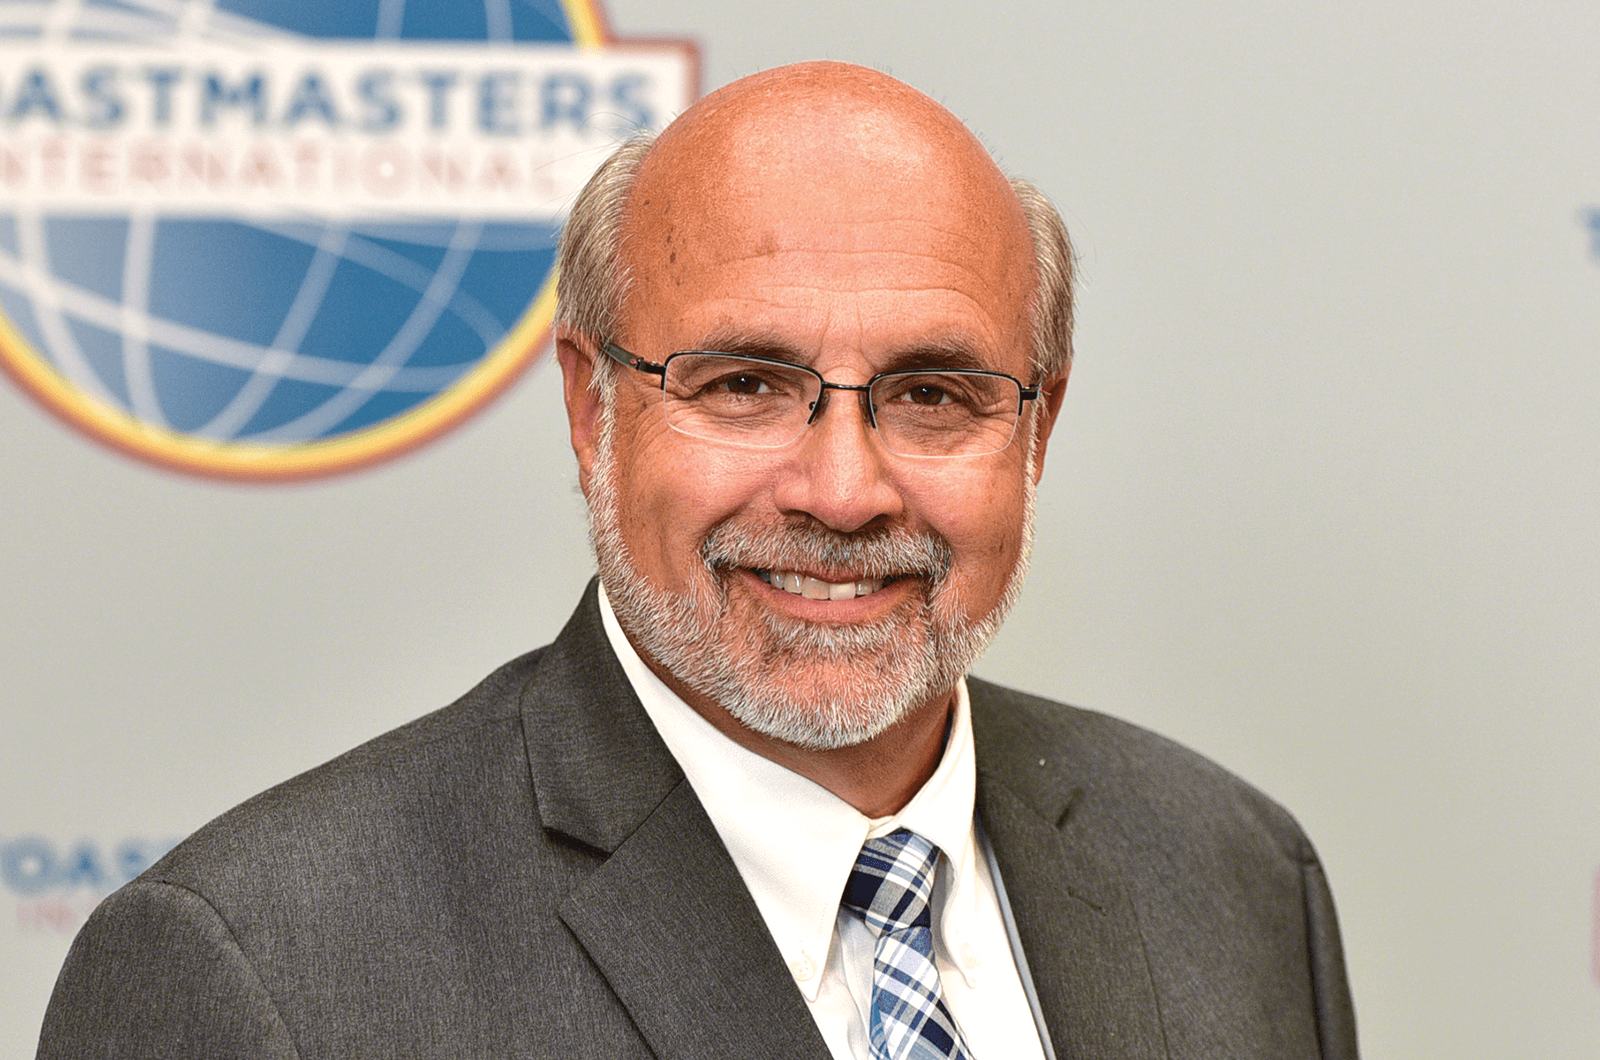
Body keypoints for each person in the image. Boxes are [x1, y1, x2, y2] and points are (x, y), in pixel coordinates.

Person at [37, 62, 1358, 1060]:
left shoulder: (1229, 874)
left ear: (1036, 428)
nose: (842, 491)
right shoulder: (259, 971)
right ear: (589, 409)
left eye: (934, 394)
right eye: (742, 383)